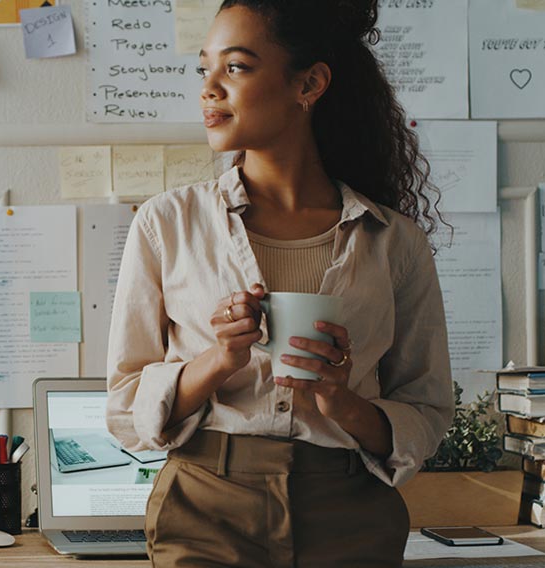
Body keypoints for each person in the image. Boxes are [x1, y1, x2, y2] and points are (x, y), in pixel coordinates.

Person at [105, 1, 455, 566]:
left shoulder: (395, 241)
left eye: (236, 67)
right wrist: (217, 361)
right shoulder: (164, 223)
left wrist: (339, 400)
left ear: (310, 83)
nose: (209, 89)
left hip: (352, 514)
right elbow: (125, 406)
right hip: (205, 508)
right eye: (204, 69)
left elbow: (428, 410)